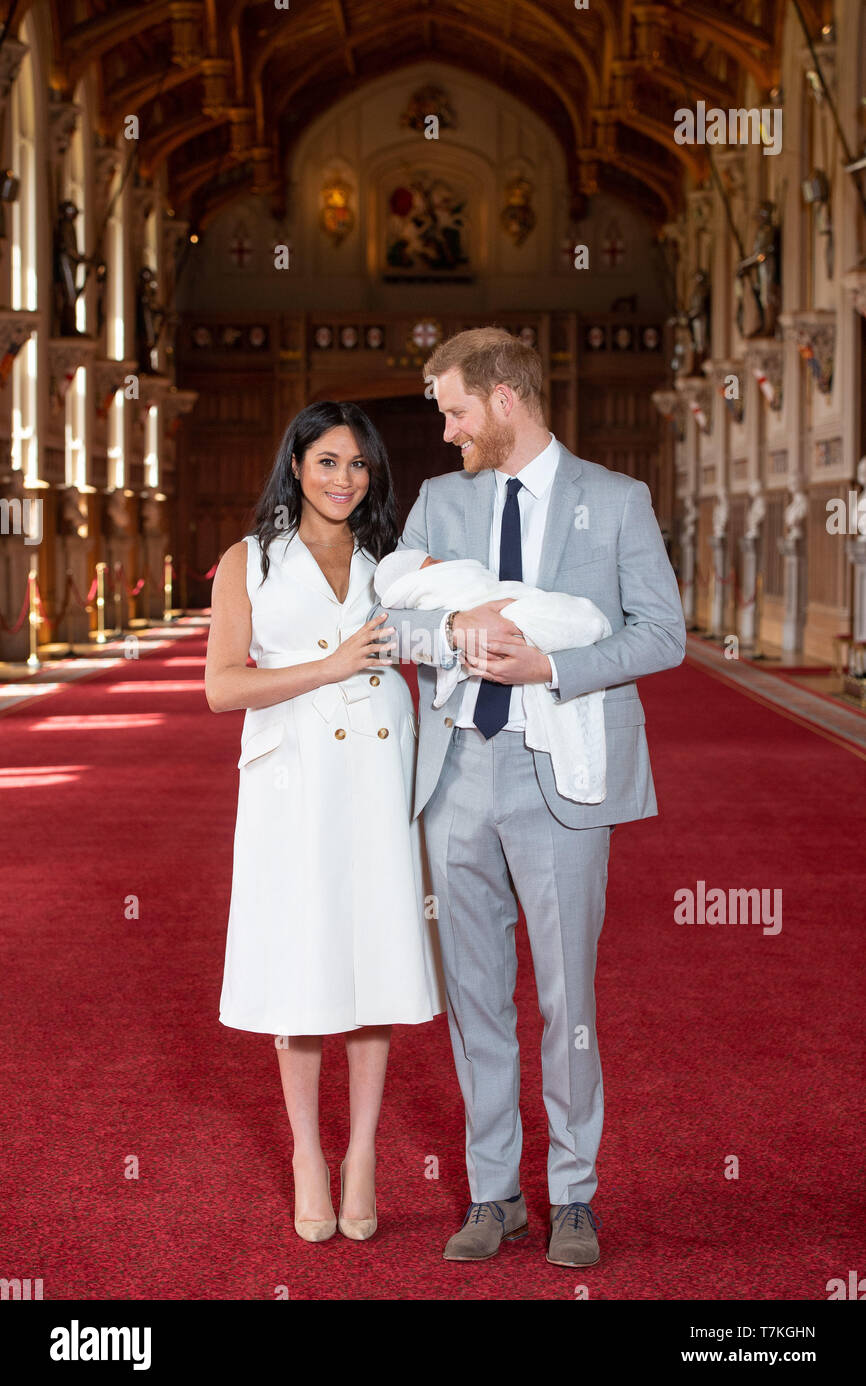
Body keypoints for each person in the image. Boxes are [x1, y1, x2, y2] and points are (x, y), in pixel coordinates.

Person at [368, 327, 686, 1267]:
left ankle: (575, 1195)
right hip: (458, 774)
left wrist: (551, 661)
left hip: (563, 777)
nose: (447, 433)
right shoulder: (439, 500)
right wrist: (454, 627)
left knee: (564, 995)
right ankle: (494, 1192)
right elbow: (392, 623)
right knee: (475, 998)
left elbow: (662, 635)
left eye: (457, 412)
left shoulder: (616, 501)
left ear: (505, 400)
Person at [205, 401, 445, 1245]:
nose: (345, 479)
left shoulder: (394, 562)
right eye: (328, 462)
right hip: (294, 780)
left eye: (359, 465)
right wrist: (331, 664)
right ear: (297, 466)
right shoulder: (250, 561)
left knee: (375, 957)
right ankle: (310, 1151)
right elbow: (223, 688)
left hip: (379, 773)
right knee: (303, 964)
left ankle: (364, 1154)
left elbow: (439, 642)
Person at [373, 548, 612, 802]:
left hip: (540, 739)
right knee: (542, 618)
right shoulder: (429, 520)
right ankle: (584, 622)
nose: (442, 562)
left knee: (555, 615)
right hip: (456, 752)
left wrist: (547, 668)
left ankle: (584, 622)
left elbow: (657, 631)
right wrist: (454, 627)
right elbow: (379, 628)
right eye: (432, 563)